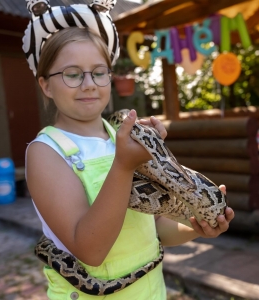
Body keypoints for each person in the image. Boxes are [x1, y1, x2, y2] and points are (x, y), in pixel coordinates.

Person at [25, 26, 234, 299]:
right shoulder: (46, 152)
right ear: (45, 85)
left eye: (99, 73)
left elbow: (156, 229)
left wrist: (197, 228)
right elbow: (91, 251)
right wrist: (124, 165)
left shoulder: (122, 137)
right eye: (72, 74)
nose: (88, 83)